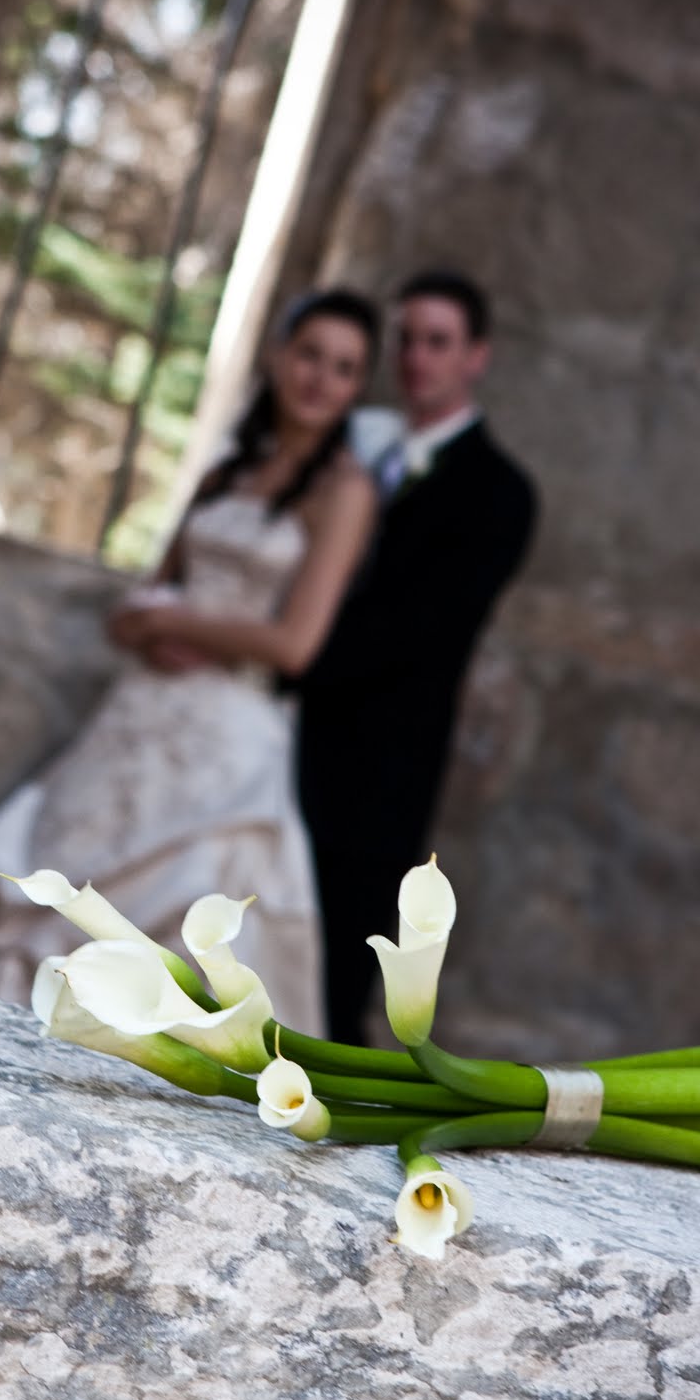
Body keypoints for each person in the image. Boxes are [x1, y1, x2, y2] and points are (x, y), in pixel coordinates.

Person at [0, 288, 381, 1035]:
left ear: (357, 388)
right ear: (277, 356)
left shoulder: (344, 490)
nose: (321, 378)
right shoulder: (227, 467)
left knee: (180, 904)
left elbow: (296, 644)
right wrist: (153, 626)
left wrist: (188, 622)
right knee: (52, 882)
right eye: (309, 355)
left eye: (344, 369)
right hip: (141, 707)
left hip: (227, 731)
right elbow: (140, 601)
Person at [294, 269, 539, 1047]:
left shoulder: (501, 493)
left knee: (330, 969)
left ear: (476, 357)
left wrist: (277, 658)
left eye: (437, 342)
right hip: (282, 729)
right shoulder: (352, 443)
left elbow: (416, 629)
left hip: (378, 765)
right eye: (404, 339)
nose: (415, 357)